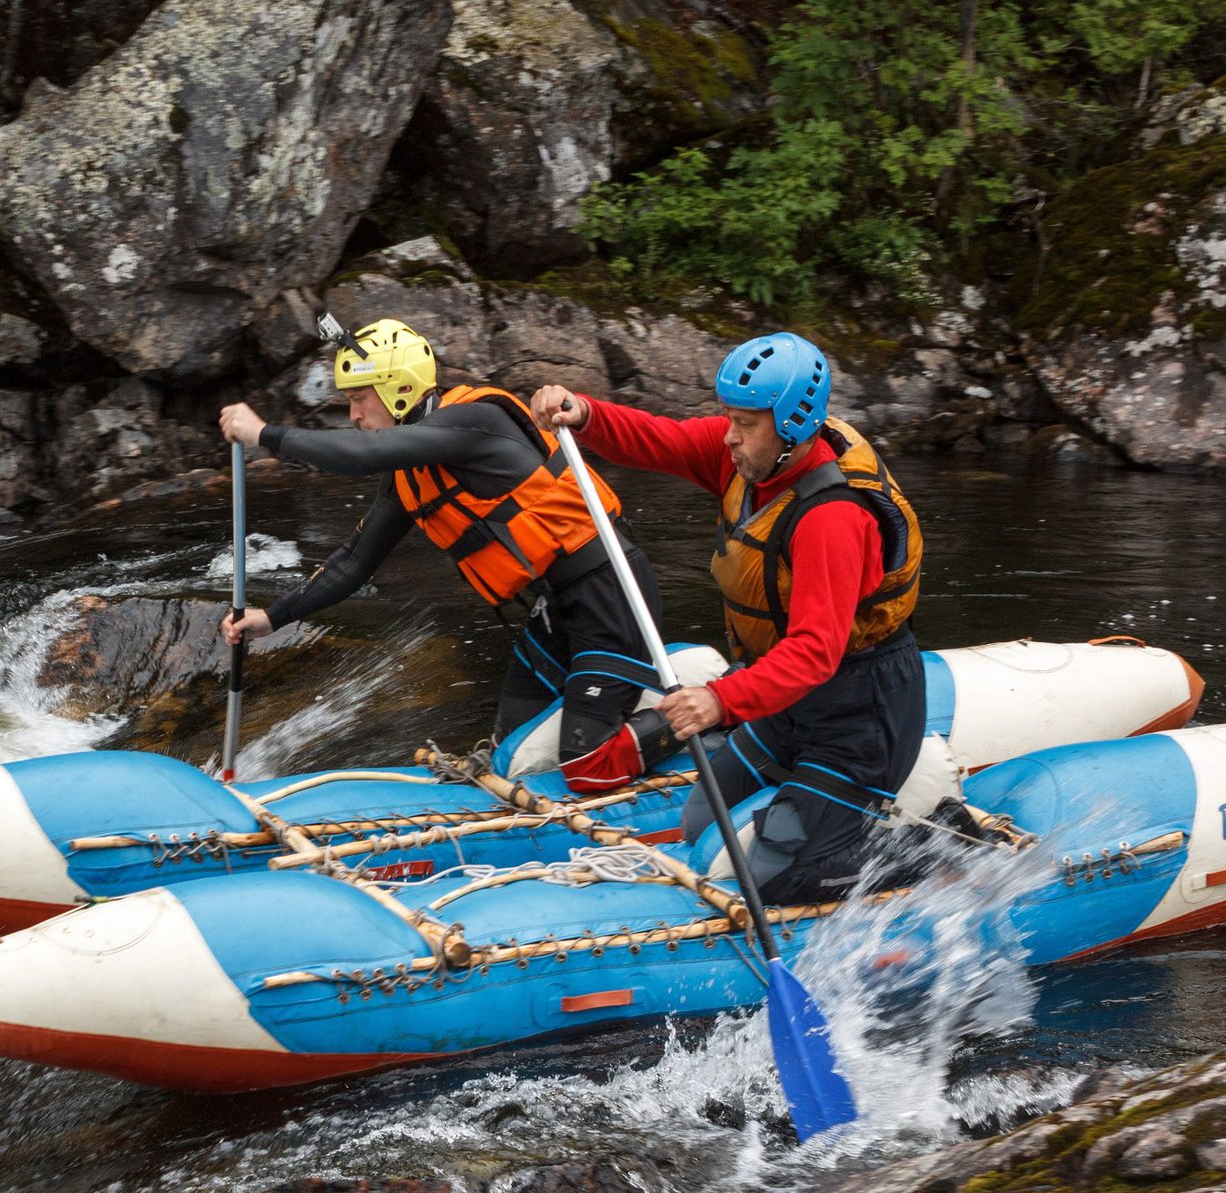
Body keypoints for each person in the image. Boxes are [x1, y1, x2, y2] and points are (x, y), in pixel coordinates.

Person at [530, 331, 925, 904]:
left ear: (791, 424)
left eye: (746, 424)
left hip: (861, 719)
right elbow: (662, 439)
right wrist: (585, 414)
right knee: (698, 820)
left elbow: (816, 649)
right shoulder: (751, 459)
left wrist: (720, 700)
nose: (730, 437)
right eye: (729, 419)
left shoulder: (832, 519)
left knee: (775, 873)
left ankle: (930, 853)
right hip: (790, 706)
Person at [216, 315, 677, 789]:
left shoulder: (473, 420)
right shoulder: (410, 474)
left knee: (586, 767)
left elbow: (361, 453)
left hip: (612, 592)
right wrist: (272, 618)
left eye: (358, 399)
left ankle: (702, 710)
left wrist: (265, 434)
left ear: (397, 389)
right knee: (508, 751)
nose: (353, 415)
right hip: (557, 605)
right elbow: (354, 563)